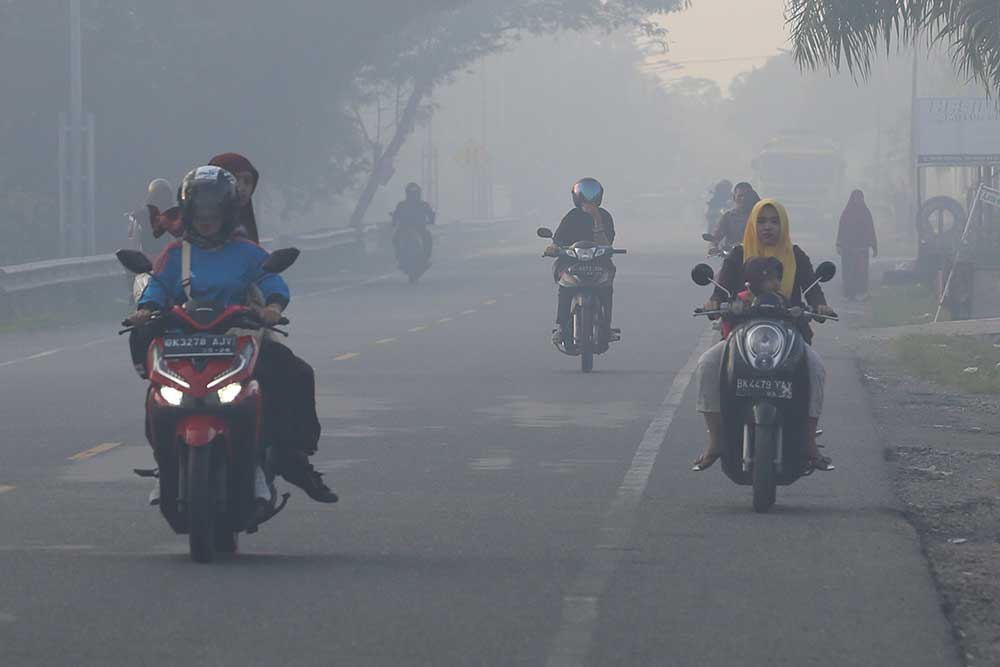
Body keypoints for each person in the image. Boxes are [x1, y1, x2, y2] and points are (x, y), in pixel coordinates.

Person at [127, 165, 338, 503]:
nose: (207, 218)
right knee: (158, 394)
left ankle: (285, 457)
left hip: (240, 335)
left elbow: (272, 282)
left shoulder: (248, 252)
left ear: (227, 212)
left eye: (214, 211)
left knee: (296, 373)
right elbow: (157, 287)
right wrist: (144, 310)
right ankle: (165, 465)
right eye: (200, 211)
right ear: (188, 212)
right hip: (183, 339)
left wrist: (272, 309)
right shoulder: (174, 254)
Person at [692, 199, 836, 472]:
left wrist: (820, 305)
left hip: (790, 336)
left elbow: (812, 289)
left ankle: (808, 441)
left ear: (783, 224)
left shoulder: (796, 255)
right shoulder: (738, 254)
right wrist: (713, 302)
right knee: (708, 365)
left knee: (816, 368)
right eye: (761, 221)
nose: (767, 227)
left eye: (773, 221)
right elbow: (720, 289)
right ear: (752, 224)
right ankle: (716, 441)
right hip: (742, 337)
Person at [546, 177, 616, 347]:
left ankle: (606, 327)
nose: (588, 201)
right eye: (585, 195)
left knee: (606, 288)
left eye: (592, 196)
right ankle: (562, 327)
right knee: (564, 287)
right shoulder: (571, 216)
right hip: (572, 262)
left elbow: (607, 244)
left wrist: (596, 220)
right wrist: (553, 247)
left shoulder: (605, 216)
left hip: (598, 263)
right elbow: (558, 238)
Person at [208, 153, 260, 243]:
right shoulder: (193, 237)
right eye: (235, 179)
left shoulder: (248, 240)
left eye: (247, 181)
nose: (243, 187)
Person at [836, 189, 878, 300]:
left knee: (861, 272)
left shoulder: (866, 212)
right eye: (856, 197)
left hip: (862, 249)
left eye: (860, 198)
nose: (858, 200)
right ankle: (849, 294)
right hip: (848, 249)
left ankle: (861, 292)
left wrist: (874, 246)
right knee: (848, 272)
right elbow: (841, 229)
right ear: (852, 198)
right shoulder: (847, 213)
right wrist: (839, 245)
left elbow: (871, 229)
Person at [392, 182, 435, 262]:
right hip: (411, 228)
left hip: (411, 228)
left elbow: (395, 215)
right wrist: (431, 220)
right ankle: (425, 256)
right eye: (412, 193)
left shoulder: (402, 204)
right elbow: (396, 215)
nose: (413, 195)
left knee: (396, 239)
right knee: (427, 238)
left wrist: (394, 222)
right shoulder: (422, 204)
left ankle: (425, 256)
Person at [709, 182, 760, 250]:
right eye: (740, 196)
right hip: (731, 255)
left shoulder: (758, 215)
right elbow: (718, 235)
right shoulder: (728, 216)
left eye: (746, 196)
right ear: (734, 197)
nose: (743, 199)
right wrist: (714, 246)